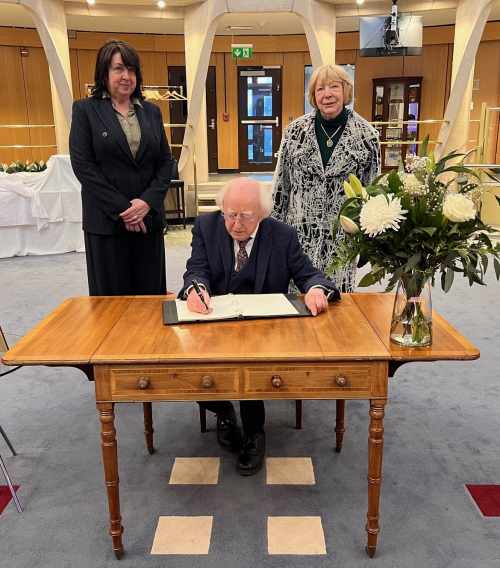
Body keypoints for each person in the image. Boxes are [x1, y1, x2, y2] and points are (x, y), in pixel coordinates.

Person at [179, 177, 340, 476]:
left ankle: (254, 432)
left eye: (246, 216)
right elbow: (196, 268)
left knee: (250, 367)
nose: (236, 224)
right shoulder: (206, 227)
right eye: (231, 214)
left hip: (263, 329)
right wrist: (195, 288)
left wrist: (317, 289)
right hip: (215, 321)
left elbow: (309, 274)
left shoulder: (283, 236)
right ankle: (224, 411)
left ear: (262, 215)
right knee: (185, 365)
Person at [69, 40, 173, 296]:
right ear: (104, 73)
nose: (126, 76)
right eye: (118, 69)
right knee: (111, 306)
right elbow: (84, 166)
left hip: (148, 221)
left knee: (151, 299)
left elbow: (165, 162)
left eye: (131, 69)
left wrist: (146, 203)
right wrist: (125, 210)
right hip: (106, 223)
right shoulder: (85, 110)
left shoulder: (151, 112)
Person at [272, 64, 380, 292]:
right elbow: (281, 187)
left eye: (334, 87)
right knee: (298, 300)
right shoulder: (295, 132)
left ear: (346, 91)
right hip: (299, 235)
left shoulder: (367, 135)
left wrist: (370, 240)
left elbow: (372, 191)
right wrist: (273, 234)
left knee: (338, 304)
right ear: (313, 96)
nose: (327, 94)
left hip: (341, 239)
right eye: (320, 89)